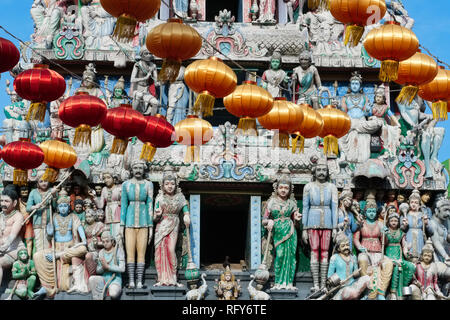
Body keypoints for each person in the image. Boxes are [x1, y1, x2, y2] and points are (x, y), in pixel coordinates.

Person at [33, 193, 88, 298]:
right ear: (57, 208)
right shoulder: (54, 217)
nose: (63, 208)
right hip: (56, 248)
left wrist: (83, 240)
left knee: (83, 249)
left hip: (70, 248)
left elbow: (81, 234)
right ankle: (46, 286)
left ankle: (58, 255)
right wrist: (49, 233)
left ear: (69, 207)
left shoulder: (73, 217)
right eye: (61, 206)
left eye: (65, 206)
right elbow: (49, 237)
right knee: (37, 256)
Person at [302, 159, 338, 292]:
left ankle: (323, 284)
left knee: (325, 252)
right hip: (312, 221)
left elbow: (335, 207)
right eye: (319, 170)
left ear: (327, 172)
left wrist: (334, 227)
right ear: (314, 172)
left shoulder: (332, 187)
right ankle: (316, 283)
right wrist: (304, 228)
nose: (321, 173)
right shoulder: (308, 187)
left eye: (324, 170)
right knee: (314, 251)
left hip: (328, 221)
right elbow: (305, 207)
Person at [262, 175, 301, 290]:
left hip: (290, 231)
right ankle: (278, 282)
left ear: (289, 190)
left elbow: (295, 220)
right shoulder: (271, 202)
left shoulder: (292, 203)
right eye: (281, 187)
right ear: (277, 188)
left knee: (291, 257)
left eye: (286, 188)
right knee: (280, 255)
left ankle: (289, 283)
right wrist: (269, 221)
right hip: (278, 232)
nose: (283, 190)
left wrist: (297, 219)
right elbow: (263, 220)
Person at [120, 160, 154, 289]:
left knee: (141, 253)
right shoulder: (126, 185)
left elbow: (150, 203)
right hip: (129, 222)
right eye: (136, 168)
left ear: (144, 169)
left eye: (140, 167)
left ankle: (139, 280)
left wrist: (150, 226)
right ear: (132, 170)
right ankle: (131, 280)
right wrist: (122, 225)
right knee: (130, 252)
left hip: (144, 222)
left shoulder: (148, 184)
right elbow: (123, 205)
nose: (138, 170)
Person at [154, 172, 190, 287]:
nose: (170, 186)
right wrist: (157, 214)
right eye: (167, 184)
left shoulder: (180, 197)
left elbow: (185, 210)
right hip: (161, 225)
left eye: (172, 184)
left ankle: (173, 276)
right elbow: (154, 217)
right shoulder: (159, 197)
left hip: (174, 223)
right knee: (159, 251)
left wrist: (186, 216)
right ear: (163, 185)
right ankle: (161, 277)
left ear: (176, 185)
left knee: (170, 249)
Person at [327, 233, 370, 300]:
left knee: (367, 278)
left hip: (352, 284)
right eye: (343, 246)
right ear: (338, 248)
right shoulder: (334, 258)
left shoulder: (353, 257)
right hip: (341, 287)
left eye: (347, 245)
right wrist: (337, 282)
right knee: (347, 291)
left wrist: (356, 273)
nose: (346, 247)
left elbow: (356, 274)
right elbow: (329, 276)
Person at [383, 212, 416, 300]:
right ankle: (393, 292)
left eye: (396, 221)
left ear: (398, 222)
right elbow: (384, 244)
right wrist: (384, 234)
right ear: (388, 222)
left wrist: (407, 253)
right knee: (396, 266)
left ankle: (403, 288)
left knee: (411, 266)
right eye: (392, 221)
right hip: (388, 256)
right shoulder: (385, 232)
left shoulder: (401, 232)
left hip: (399, 255)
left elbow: (404, 245)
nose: (394, 222)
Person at [0, 185, 26, 287]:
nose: (3, 204)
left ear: (14, 203)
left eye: (6, 201)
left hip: (14, 250)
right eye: (1, 201)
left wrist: (3, 248)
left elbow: (12, 236)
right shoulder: (0, 215)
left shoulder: (18, 216)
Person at [88, 231, 125, 300]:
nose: (105, 244)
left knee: (113, 293)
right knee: (92, 279)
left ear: (112, 241)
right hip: (104, 279)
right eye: (103, 242)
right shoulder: (101, 252)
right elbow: (98, 270)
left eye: (107, 241)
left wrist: (108, 267)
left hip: (115, 280)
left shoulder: (118, 251)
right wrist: (103, 267)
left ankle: (115, 290)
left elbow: (122, 268)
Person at [26, 175, 58, 254]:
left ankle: (46, 262)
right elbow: (28, 207)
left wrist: (54, 195)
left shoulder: (52, 190)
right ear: (37, 183)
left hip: (49, 221)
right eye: (41, 181)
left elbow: (55, 207)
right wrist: (35, 206)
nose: (44, 183)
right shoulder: (33, 192)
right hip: (37, 221)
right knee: (39, 243)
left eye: (45, 181)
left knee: (48, 242)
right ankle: (39, 262)